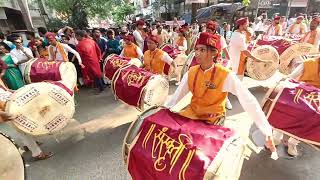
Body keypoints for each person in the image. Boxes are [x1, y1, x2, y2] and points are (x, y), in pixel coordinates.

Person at [164, 32, 276, 152]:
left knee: (201, 153)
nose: (196, 53)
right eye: (196, 49)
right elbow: (177, 96)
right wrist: (164, 109)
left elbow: (249, 101)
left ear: (214, 53)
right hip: (192, 114)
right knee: (171, 138)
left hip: (212, 119)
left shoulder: (225, 75)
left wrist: (266, 131)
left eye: (202, 50)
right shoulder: (191, 71)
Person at [0, 60, 53, 160]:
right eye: (3, 70)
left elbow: (6, 91)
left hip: (11, 105)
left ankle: (27, 145)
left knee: (23, 128)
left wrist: (22, 91)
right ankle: (37, 154)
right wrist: (5, 114)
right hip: (6, 110)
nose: (4, 73)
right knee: (23, 130)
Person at [273, 57, 320, 156]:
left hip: (308, 100)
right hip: (304, 99)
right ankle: (281, 139)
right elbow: (291, 78)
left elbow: (290, 77)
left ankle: (287, 141)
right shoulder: (308, 63)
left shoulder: (308, 63)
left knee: (311, 121)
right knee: (289, 115)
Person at [75, 30, 105, 94]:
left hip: (87, 62)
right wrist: (99, 58)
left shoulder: (79, 45)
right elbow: (98, 50)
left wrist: (81, 63)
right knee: (98, 74)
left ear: (79, 36)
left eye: (76, 36)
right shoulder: (91, 41)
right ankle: (101, 87)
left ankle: (99, 88)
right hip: (95, 60)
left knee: (94, 76)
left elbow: (80, 56)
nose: (76, 38)